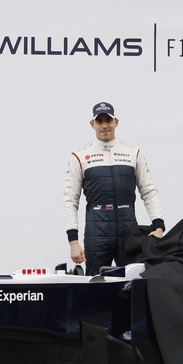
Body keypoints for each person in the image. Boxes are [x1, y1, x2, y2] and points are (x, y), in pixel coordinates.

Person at [63, 102, 165, 273]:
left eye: (108, 120)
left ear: (116, 122)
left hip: (128, 230)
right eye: (99, 120)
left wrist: (159, 227)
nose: (104, 125)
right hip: (97, 231)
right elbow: (70, 199)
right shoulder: (79, 156)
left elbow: (149, 191)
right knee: (96, 284)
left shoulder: (133, 152)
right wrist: (73, 242)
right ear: (92, 124)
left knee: (132, 284)